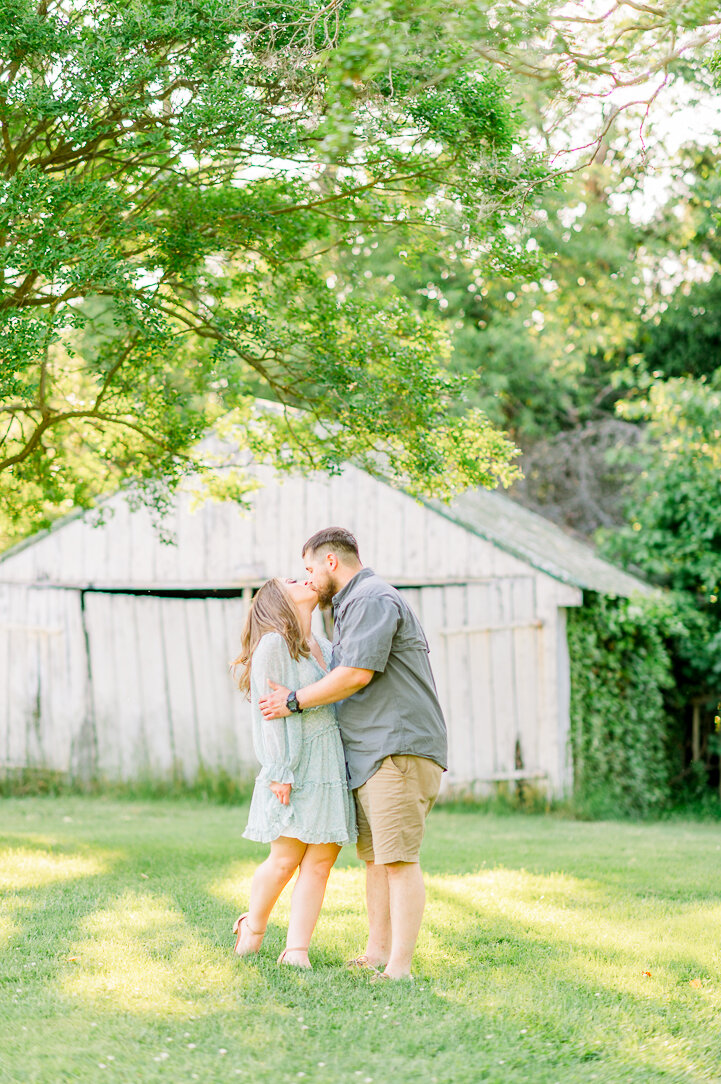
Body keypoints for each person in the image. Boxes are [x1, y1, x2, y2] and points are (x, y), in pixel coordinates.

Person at [259, 528, 447, 981]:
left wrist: (293, 700)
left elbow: (356, 674)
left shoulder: (371, 599)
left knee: (399, 861)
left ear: (329, 562)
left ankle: (398, 967)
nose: (308, 578)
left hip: (396, 748)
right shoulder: (349, 607)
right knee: (378, 861)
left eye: (309, 569)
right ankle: (377, 954)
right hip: (372, 754)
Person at [232, 576, 356, 969]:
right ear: (276, 599)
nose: (304, 577)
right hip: (295, 762)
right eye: (290, 579)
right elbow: (266, 714)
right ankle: (253, 926)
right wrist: (279, 768)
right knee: (285, 859)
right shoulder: (274, 645)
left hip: (330, 760)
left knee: (320, 862)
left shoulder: (324, 644)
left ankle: (296, 949)